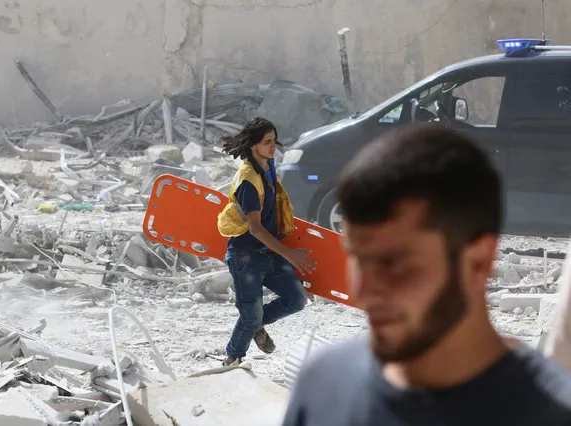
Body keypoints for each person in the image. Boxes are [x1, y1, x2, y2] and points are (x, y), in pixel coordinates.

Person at [282, 124, 571, 425]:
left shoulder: (553, 413)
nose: (365, 292)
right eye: (357, 257)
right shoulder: (324, 387)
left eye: (393, 263)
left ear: (478, 262)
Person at [217, 117, 316, 367]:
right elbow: (256, 229)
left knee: (295, 299)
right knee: (249, 317)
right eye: (267, 142)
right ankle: (232, 360)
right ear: (253, 147)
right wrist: (291, 255)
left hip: (268, 253)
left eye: (274, 141)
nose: (273, 146)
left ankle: (258, 325)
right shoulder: (248, 181)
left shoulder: (268, 165)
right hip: (246, 256)